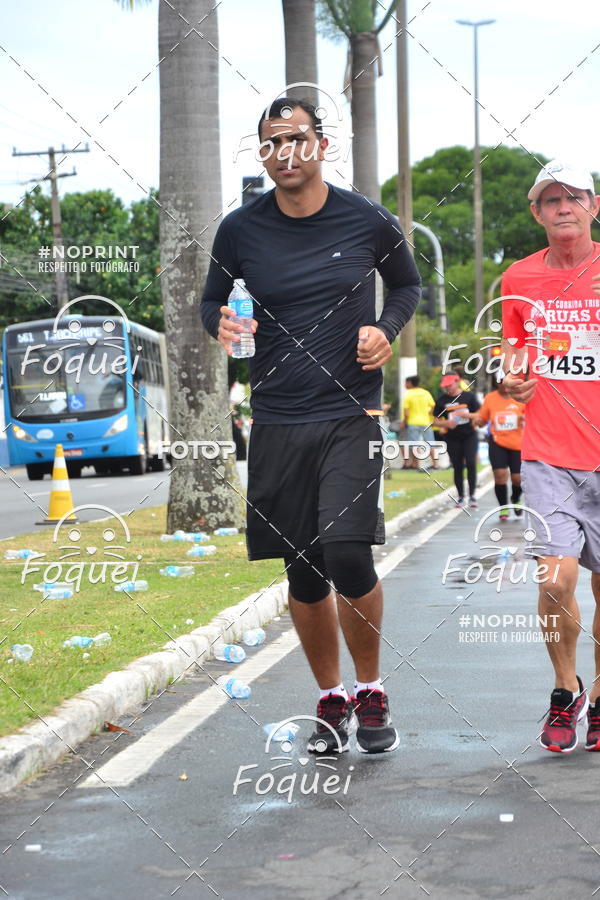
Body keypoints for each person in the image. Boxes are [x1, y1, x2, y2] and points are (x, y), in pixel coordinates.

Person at [200, 97, 421, 754]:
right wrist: (221, 323)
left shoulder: (366, 219)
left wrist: (385, 331)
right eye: (272, 142)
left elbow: (407, 286)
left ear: (322, 146)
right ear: (262, 154)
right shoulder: (240, 230)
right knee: (302, 570)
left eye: (296, 138)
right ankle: (331, 698)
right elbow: (211, 302)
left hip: (352, 413)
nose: (285, 152)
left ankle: (371, 688)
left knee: (347, 551)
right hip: (277, 418)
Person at [501, 160, 600, 754]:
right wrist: (513, 380)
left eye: (575, 197)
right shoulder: (519, 277)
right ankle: (566, 689)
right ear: (537, 212)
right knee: (556, 577)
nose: (565, 207)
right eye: (552, 199)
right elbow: (514, 353)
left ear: (594, 206)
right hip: (549, 455)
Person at [474, 377, 525, 520]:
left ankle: (516, 498)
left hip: (517, 443)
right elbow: (482, 419)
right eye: (501, 381)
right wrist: (479, 421)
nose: (505, 385)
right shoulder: (490, 398)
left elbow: (529, 416)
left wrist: (523, 419)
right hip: (497, 442)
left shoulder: (520, 396)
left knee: (518, 478)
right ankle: (503, 508)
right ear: (497, 383)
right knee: (500, 475)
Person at [432, 373, 480, 508]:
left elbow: (480, 413)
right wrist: (446, 423)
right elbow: (435, 421)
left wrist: (466, 415)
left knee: (471, 463)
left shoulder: (469, 396)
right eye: (445, 386)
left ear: (457, 382)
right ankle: (460, 497)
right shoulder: (441, 400)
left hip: (469, 435)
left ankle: (472, 496)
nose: (448, 388)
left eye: (450, 385)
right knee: (457, 466)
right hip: (452, 437)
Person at [399, 375, 435, 470]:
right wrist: (428, 414)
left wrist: (404, 422)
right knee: (430, 443)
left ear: (410, 383)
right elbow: (433, 406)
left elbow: (406, 412)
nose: (405, 385)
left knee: (414, 444)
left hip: (413, 422)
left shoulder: (409, 394)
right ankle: (435, 464)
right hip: (426, 422)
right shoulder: (426, 393)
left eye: (406, 383)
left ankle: (416, 465)